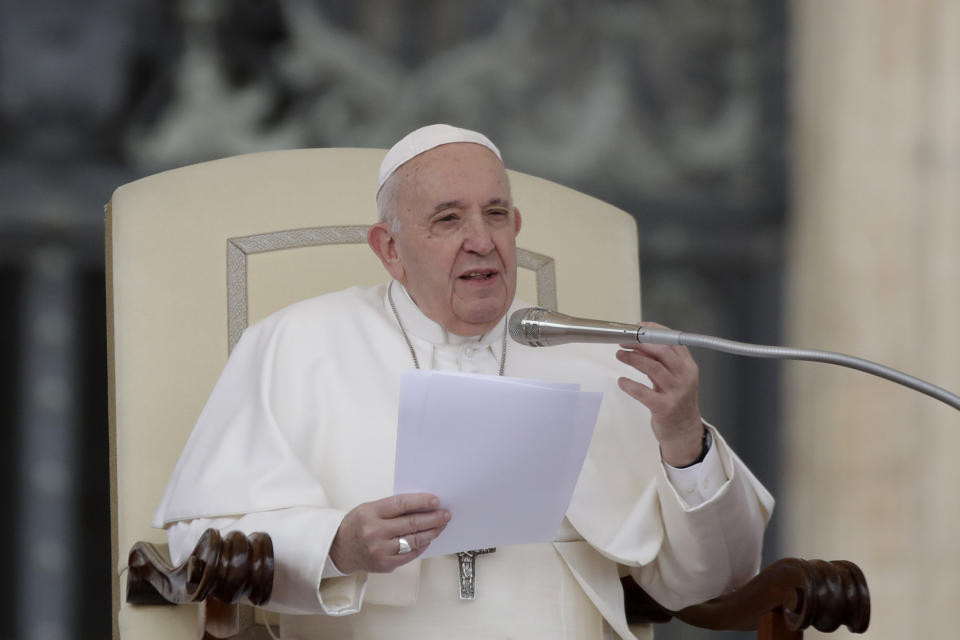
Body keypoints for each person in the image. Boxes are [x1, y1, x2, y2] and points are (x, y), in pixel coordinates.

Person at [153, 124, 773, 639]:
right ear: (389, 249)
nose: (481, 241)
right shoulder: (295, 343)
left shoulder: (598, 358)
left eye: (495, 214)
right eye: (448, 220)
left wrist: (683, 437)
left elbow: (716, 577)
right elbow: (197, 545)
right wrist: (337, 543)